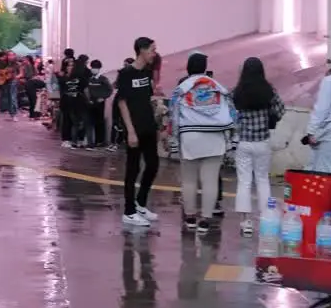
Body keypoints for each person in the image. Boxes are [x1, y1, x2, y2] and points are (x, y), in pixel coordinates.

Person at [170, 53, 234, 234]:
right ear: (205, 67)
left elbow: (173, 115)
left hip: (190, 137)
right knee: (210, 180)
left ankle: (190, 218)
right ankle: (205, 220)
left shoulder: (182, 88)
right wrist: (231, 138)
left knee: (189, 180)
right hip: (215, 137)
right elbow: (232, 112)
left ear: (188, 67)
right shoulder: (218, 87)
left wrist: (174, 139)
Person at [231, 57, 285, 236]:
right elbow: (280, 110)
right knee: (262, 180)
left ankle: (245, 223)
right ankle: (266, 219)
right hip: (263, 142)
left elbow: (231, 115)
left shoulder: (237, 92)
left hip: (244, 142)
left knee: (244, 182)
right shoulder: (268, 91)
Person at [117, 37, 160, 228]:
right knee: (132, 169)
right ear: (141, 50)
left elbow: (146, 97)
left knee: (153, 165)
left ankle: (141, 203)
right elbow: (122, 102)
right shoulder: (126, 73)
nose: (154, 53)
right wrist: (131, 131)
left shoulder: (147, 71)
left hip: (149, 125)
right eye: (152, 49)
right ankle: (129, 211)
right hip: (135, 127)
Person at [86, 60, 113, 150]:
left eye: (96, 68)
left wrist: (103, 97)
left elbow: (110, 90)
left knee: (99, 123)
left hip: (100, 104)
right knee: (90, 123)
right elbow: (86, 90)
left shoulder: (103, 79)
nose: (94, 70)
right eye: (93, 67)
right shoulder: (89, 79)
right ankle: (91, 143)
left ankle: (100, 141)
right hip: (90, 103)